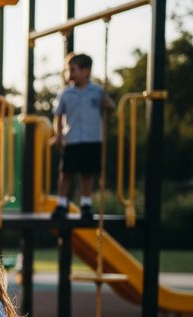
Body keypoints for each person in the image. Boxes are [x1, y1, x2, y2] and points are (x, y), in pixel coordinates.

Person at [52, 52, 114, 221]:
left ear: (86, 71)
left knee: (88, 174)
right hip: (71, 138)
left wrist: (108, 106)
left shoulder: (97, 91)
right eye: (68, 71)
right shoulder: (66, 93)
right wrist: (58, 135)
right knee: (66, 173)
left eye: (73, 70)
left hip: (92, 138)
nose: (69, 74)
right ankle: (62, 205)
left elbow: (110, 107)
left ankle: (86, 205)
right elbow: (58, 115)